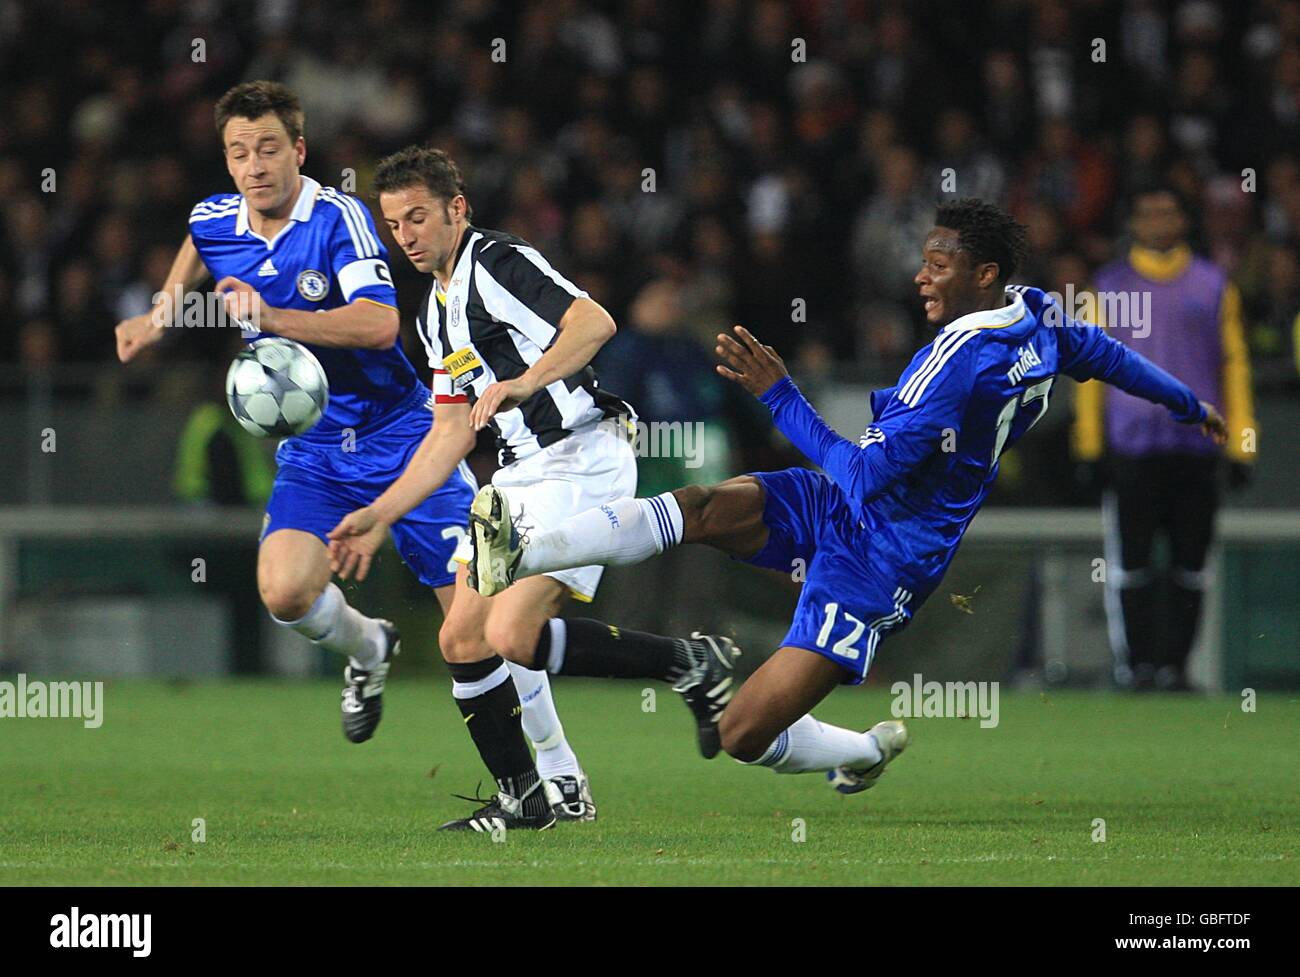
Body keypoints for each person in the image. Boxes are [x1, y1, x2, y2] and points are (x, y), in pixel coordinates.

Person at [465, 198, 1229, 794]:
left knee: (739, 732)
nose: (922, 275)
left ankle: (862, 749)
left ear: (984, 274)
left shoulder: (956, 367)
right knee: (700, 506)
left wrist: (782, 397)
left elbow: (864, 475)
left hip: (884, 557)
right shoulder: (1035, 312)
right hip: (841, 505)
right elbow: (1105, 353)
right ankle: (526, 546)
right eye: (925, 261)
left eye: (939, 264)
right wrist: (1188, 402)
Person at [113, 86, 589, 816]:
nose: (254, 166)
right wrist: (161, 311)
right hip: (312, 448)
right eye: (238, 152)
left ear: (299, 151)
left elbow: (375, 324)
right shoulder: (213, 218)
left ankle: (556, 775)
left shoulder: (339, 218)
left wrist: (271, 315)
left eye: (269, 148)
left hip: (402, 433)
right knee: (284, 591)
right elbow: (197, 248)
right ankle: (369, 648)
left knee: (478, 619)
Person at [327, 146, 737, 832]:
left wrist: (525, 380)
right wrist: (379, 512)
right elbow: (450, 433)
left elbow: (595, 322)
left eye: (419, 217)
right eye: (394, 225)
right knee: (464, 636)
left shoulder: (495, 262)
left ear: (458, 209)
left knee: (509, 631)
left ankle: (684, 667)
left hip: (580, 456)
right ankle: (532, 790)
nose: (407, 236)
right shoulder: (432, 313)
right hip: (521, 475)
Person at [1073, 185, 1256, 691]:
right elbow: (1085, 374)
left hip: (1196, 450)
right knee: (1129, 565)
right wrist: (1089, 447)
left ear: (1183, 220)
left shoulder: (1214, 285)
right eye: (1147, 212)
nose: (1158, 221)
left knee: (1190, 567)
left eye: (1168, 212)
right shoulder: (1106, 287)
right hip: (1132, 452)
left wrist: (1242, 444)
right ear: (1132, 222)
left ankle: (1175, 667)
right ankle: (1136, 667)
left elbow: (1234, 367)